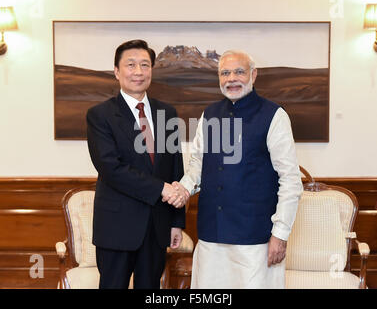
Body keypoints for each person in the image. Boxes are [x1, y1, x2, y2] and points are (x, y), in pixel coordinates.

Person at [178, 50, 303, 288]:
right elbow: (198, 165)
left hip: (255, 240)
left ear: (253, 75)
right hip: (211, 236)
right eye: (225, 73)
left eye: (239, 72)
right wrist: (183, 188)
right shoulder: (209, 114)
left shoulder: (274, 116)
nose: (231, 78)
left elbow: (290, 179)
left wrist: (280, 234)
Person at [86, 39, 187, 289]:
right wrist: (160, 189)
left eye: (145, 65)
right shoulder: (100, 115)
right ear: (117, 71)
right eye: (130, 65)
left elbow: (175, 167)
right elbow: (111, 168)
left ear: (152, 70)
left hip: (157, 227)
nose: (138, 72)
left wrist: (176, 222)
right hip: (117, 227)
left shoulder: (168, 113)